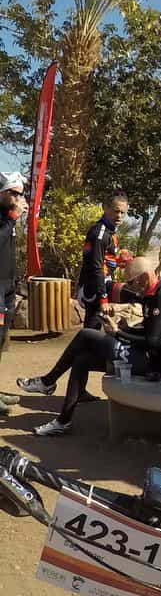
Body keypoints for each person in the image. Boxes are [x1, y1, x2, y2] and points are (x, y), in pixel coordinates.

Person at [18, 256, 161, 436]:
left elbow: (153, 341)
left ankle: (48, 381)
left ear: (144, 277)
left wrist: (118, 333)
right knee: (82, 360)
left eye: (131, 282)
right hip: (142, 354)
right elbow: (148, 332)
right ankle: (63, 421)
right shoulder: (150, 296)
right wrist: (123, 329)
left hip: (151, 362)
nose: (130, 287)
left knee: (86, 335)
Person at [0, 174, 28, 416]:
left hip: (8, 288)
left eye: (22, 193)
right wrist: (12, 218)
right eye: (15, 193)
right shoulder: (7, 218)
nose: (19, 198)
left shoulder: (8, 218)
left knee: (1, 339)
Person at [77, 191, 127, 330]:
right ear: (105, 208)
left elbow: (104, 259)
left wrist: (118, 261)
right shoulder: (101, 233)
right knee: (92, 329)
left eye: (123, 213)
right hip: (95, 287)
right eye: (116, 211)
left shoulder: (110, 231)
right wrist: (103, 298)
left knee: (96, 328)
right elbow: (96, 266)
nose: (119, 216)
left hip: (101, 284)